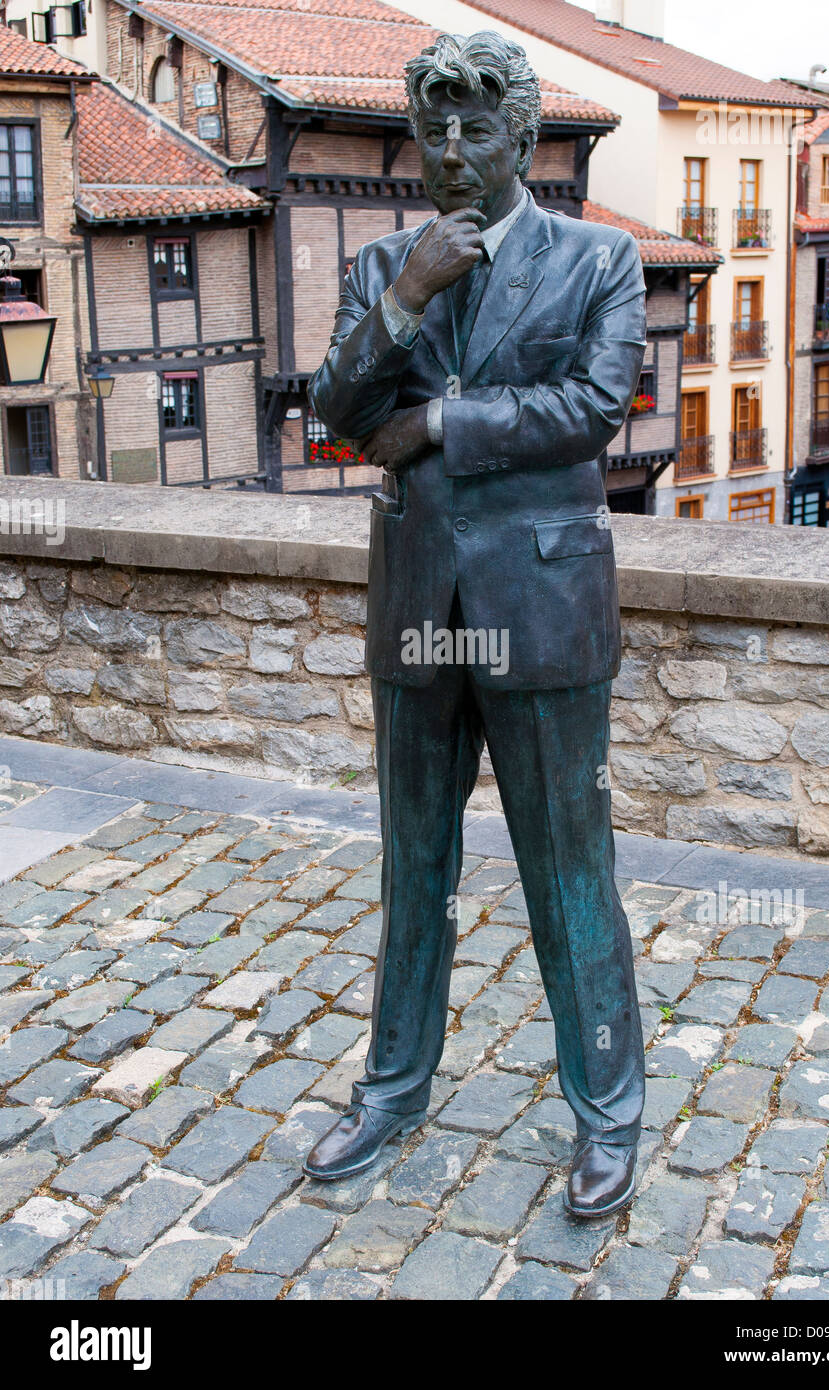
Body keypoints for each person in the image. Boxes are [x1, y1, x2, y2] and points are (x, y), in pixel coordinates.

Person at [305, 30, 647, 1217]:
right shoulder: (381, 268)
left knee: (569, 871)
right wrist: (406, 301)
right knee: (417, 866)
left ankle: (608, 1111)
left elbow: (594, 407)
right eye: (433, 130)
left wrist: (440, 423)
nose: (452, 152)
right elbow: (339, 412)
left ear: (523, 136)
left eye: (477, 129)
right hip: (418, 610)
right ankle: (393, 1090)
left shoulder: (600, 259)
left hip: (543, 612)